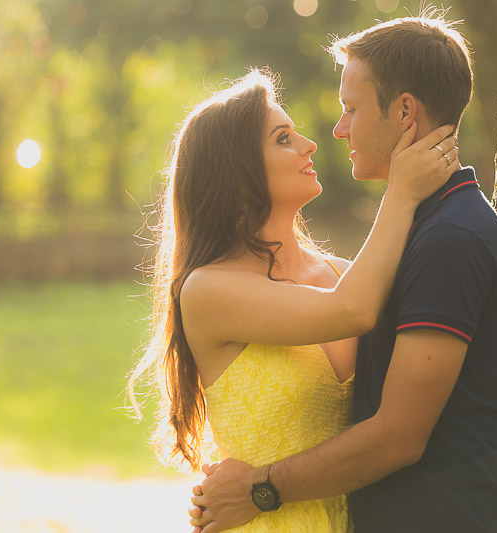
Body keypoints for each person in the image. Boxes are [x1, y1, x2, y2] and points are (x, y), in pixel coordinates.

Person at [188, 13, 497, 533]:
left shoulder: (446, 238)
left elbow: (396, 432)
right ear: (237, 173)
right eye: (282, 138)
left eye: (350, 109)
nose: (330, 133)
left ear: (405, 111)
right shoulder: (394, 248)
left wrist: (260, 486)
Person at [127, 67, 460, 532]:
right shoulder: (207, 290)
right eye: (284, 138)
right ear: (236, 172)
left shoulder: (343, 274)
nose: (310, 145)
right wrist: (400, 193)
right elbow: (353, 312)